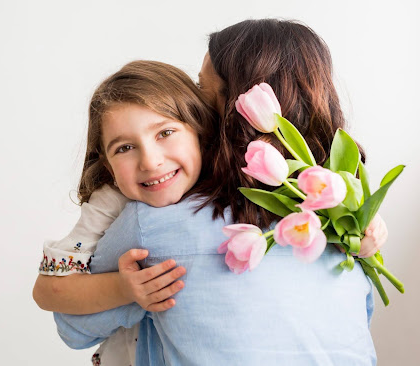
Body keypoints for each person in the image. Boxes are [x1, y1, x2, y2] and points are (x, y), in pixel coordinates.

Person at [50, 19, 387, 365]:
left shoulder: (152, 222)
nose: (194, 100)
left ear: (232, 107)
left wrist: (128, 293)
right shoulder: (345, 228)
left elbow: (73, 327)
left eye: (201, 89)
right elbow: (362, 314)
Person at [33, 60, 217, 365]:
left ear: (200, 131)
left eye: (165, 132)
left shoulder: (232, 190)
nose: (150, 161)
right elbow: (47, 289)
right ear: (108, 167)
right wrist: (123, 288)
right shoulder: (112, 201)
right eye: (124, 148)